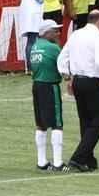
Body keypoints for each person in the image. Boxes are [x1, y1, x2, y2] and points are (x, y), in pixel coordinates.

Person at [57, 9, 99, 172]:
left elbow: (62, 57)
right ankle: (78, 158)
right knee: (97, 122)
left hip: (78, 81)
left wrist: (66, 75)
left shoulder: (76, 35)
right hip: (93, 81)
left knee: (85, 120)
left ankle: (88, 159)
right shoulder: (98, 37)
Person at [30, 20, 65, 171]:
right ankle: (58, 162)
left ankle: (42, 161)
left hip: (37, 86)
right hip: (50, 86)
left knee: (40, 123)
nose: (58, 33)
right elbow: (63, 65)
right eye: (55, 31)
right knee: (57, 123)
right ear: (46, 32)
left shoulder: (34, 46)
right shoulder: (53, 48)